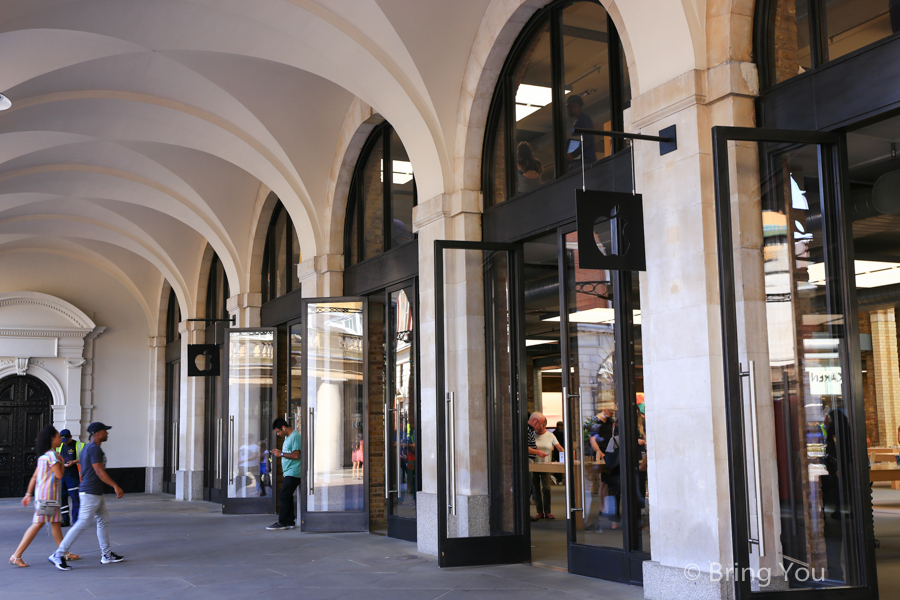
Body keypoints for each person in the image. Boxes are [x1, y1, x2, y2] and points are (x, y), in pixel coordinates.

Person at [50, 422, 124, 570]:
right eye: (105, 431)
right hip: (91, 492)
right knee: (83, 522)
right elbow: (99, 471)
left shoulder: (86, 448)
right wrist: (115, 485)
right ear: (97, 433)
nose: (107, 434)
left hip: (94, 491)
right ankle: (58, 554)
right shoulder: (94, 449)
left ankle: (106, 554)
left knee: (103, 520)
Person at [10, 426, 80, 568]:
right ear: (52, 439)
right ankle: (16, 555)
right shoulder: (54, 456)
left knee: (55, 524)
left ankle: (64, 552)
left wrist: (28, 494)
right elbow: (60, 475)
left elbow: (35, 476)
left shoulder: (43, 457)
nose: (60, 439)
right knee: (38, 524)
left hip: (44, 497)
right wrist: (61, 462)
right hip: (49, 498)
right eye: (58, 437)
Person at [268, 418, 301, 531]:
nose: (278, 434)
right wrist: (279, 452)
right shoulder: (288, 437)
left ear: (283, 427)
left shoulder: (295, 437)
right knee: (287, 496)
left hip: (294, 471)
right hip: (289, 471)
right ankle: (290, 521)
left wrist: (281, 454)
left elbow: (296, 455)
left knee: (283, 495)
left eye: (278, 431)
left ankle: (282, 522)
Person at [531, 414, 564, 521]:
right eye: (540, 425)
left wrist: (566, 457)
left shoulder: (550, 436)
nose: (542, 427)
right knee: (536, 489)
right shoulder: (531, 434)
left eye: (544, 425)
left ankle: (548, 511)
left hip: (546, 465)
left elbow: (559, 447)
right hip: (533, 465)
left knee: (546, 488)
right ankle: (539, 511)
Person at [57, 429, 83, 527]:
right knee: (62, 499)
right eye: (63, 440)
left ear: (71, 436)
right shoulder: (60, 446)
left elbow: (85, 457)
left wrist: (74, 462)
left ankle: (76, 520)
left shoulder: (79, 445)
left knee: (75, 499)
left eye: (66, 440)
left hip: (72, 476)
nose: (65, 442)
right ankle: (65, 519)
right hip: (62, 475)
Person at [566, 94, 596, 169]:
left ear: (576, 106)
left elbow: (588, 140)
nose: (568, 110)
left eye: (569, 107)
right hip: (581, 161)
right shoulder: (578, 120)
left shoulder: (583, 119)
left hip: (585, 162)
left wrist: (572, 154)